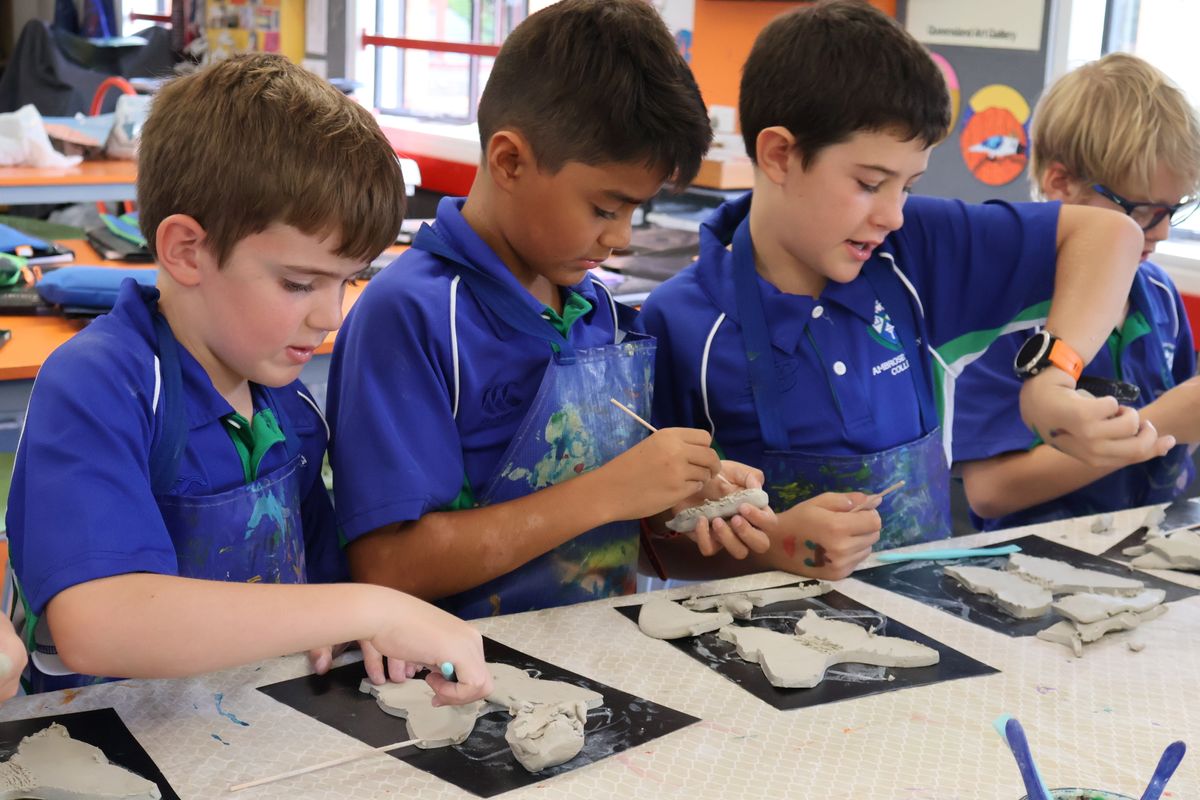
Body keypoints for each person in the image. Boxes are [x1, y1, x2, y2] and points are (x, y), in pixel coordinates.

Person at [5, 54, 491, 701]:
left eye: (348, 281)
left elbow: (316, 594)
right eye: (299, 283)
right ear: (187, 251)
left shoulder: (287, 406)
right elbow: (98, 622)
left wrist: (362, 631)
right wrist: (369, 608)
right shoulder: (101, 386)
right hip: (104, 732)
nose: (330, 315)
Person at [636, 0, 1169, 579]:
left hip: (933, 613)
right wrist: (777, 546)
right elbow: (654, 545)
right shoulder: (680, 324)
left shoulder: (914, 252)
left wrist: (1052, 379)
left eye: (908, 186)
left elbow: (1112, 234)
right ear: (779, 155)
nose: (892, 214)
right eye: (870, 184)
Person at [327, 0, 762, 618]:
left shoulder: (596, 311)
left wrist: (676, 497)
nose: (622, 237)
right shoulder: (411, 315)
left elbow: (611, 534)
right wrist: (610, 492)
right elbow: (387, 568)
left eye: (636, 210)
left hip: (603, 651)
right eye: (606, 208)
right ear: (509, 161)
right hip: (465, 667)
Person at [955, 52, 1200, 530]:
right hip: (1032, 560)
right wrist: (1160, 421)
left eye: (1175, 210)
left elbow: (1178, 436)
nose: (1163, 232)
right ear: (1061, 184)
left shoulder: (1159, 294)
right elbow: (991, 492)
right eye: (1143, 210)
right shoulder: (1004, 307)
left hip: (1144, 544)